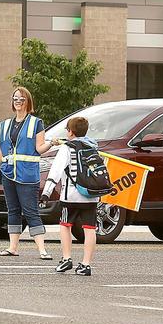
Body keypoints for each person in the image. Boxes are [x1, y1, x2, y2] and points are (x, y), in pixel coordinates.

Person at [0, 86, 53, 260]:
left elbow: (39, 148)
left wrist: (51, 144)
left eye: (21, 99)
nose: (18, 102)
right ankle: (13, 247)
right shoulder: (5, 125)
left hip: (27, 174)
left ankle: (42, 250)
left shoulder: (36, 123)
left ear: (28, 102)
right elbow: (2, 149)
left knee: (31, 211)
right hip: (8, 173)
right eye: (15, 98)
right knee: (13, 210)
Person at [42, 116, 100, 276]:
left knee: (65, 225)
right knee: (90, 229)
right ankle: (86, 264)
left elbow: (56, 170)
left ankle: (67, 258)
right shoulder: (93, 147)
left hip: (71, 197)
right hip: (91, 196)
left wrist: (46, 192)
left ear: (70, 132)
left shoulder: (67, 148)